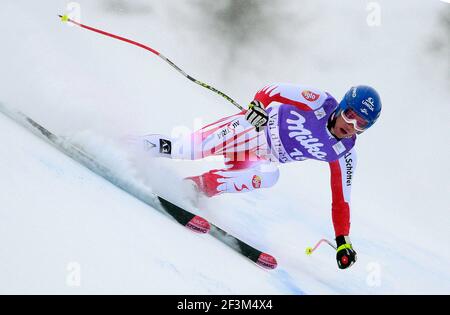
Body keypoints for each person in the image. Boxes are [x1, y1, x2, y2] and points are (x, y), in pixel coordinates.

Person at [131, 83, 382, 269]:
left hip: (263, 157)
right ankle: (130, 146)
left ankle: (195, 189)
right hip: (251, 130)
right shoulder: (319, 102)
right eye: (350, 115)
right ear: (342, 106)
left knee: (270, 175)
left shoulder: (345, 153)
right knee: (188, 149)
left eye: (362, 124)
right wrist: (258, 106)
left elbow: (341, 201)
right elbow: (272, 90)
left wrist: (342, 241)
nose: (351, 126)